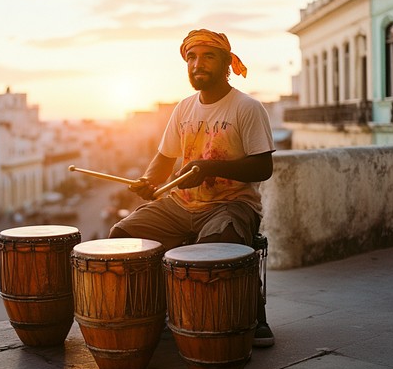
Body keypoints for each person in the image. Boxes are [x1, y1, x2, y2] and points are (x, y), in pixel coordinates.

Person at [109, 28, 275, 347]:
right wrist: (148, 182)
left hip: (231, 204)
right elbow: (163, 156)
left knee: (217, 247)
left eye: (207, 56)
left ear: (227, 63)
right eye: (191, 57)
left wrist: (212, 168)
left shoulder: (247, 107)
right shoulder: (183, 108)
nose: (197, 63)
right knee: (123, 236)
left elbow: (263, 167)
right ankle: (157, 313)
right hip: (180, 203)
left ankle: (253, 316)